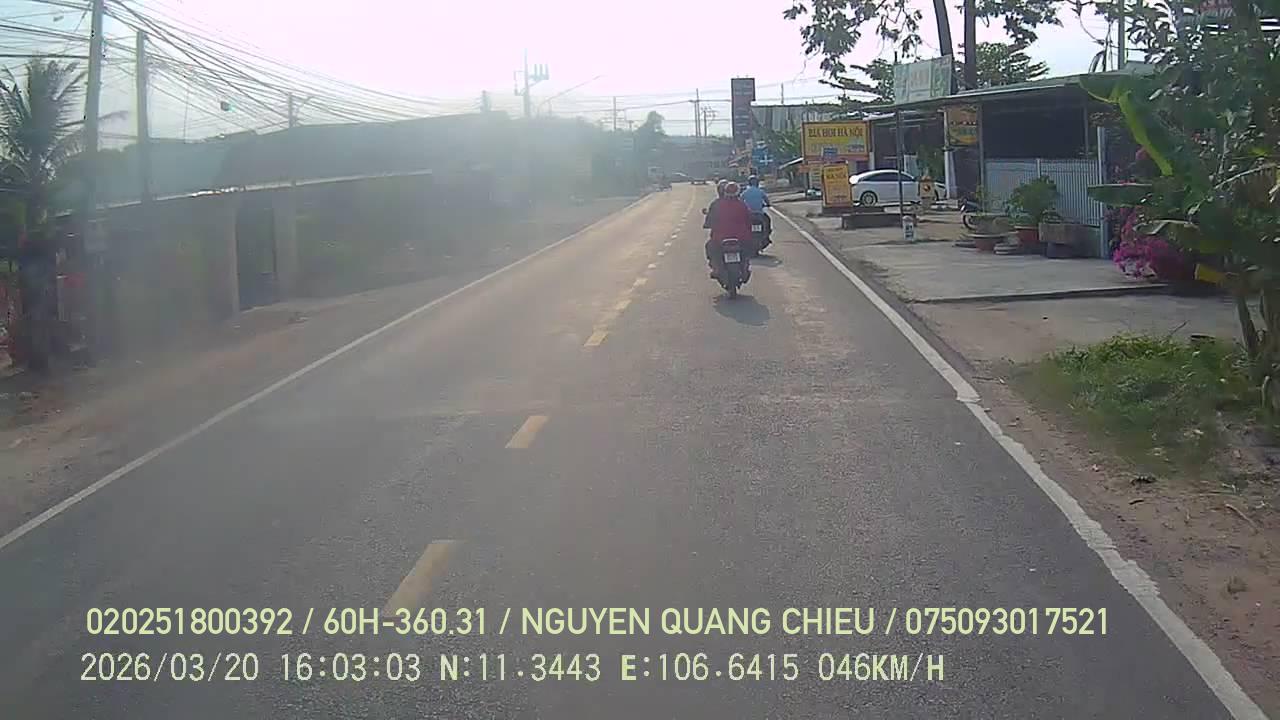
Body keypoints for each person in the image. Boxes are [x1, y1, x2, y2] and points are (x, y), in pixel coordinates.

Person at [706, 181, 752, 281]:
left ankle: (716, 268)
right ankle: (745, 267)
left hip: (720, 237)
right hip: (741, 237)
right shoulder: (742, 205)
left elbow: (709, 220)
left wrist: (708, 225)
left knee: (710, 247)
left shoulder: (717, 204)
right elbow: (748, 220)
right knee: (747, 250)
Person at [739, 175, 772, 247]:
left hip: (749, 214)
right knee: (767, 220)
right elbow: (766, 200)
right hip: (759, 214)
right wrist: (767, 204)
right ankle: (767, 236)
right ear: (757, 183)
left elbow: (740, 201)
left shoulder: (745, 192)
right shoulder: (760, 191)